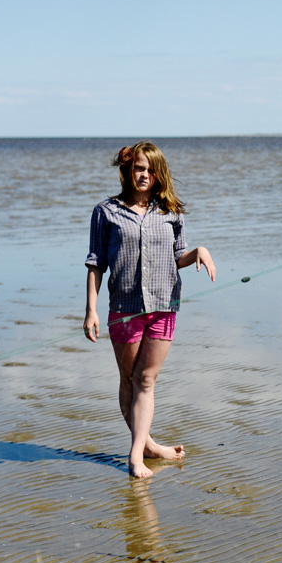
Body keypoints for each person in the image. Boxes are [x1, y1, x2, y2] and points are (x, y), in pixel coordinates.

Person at [84, 141, 215, 478]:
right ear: (129, 170)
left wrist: (198, 251)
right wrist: (91, 310)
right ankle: (146, 448)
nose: (144, 175)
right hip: (124, 308)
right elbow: (96, 264)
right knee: (129, 380)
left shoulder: (171, 211)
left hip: (164, 306)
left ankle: (138, 453)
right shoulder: (106, 211)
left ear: (160, 174)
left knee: (146, 380)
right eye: (139, 168)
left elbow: (177, 257)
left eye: (151, 169)